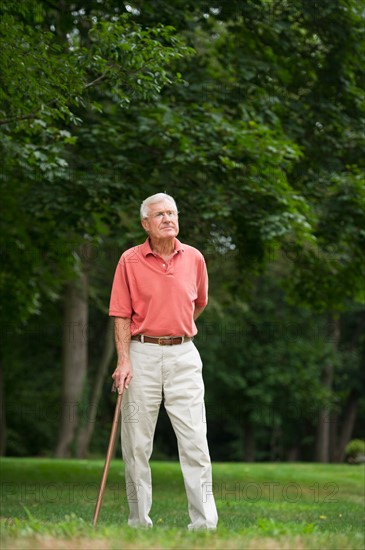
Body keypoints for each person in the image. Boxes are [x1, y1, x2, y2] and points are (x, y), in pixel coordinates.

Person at [109, 192, 218, 530]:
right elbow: (120, 315)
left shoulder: (195, 258)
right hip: (141, 354)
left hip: (184, 354)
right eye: (160, 215)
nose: (168, 219)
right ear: (145, 223)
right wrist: (124, 360)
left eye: (172, 213)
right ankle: (139, 522)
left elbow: (198, 303)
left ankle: (204, 524)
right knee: (137, 444)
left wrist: (177, 329)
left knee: (195, 441)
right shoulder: (129, 260)